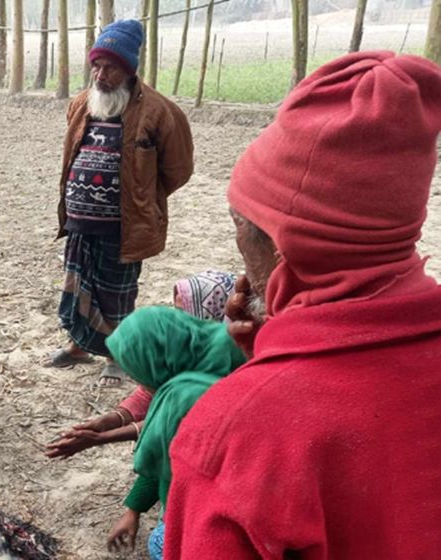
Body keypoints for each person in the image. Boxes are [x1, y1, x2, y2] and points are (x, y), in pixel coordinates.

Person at [165, 52, 441, 558]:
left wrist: (265, 389)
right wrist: (273, 356)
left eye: (239, 226)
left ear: (280, 247)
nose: (242, 265)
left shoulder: (238, 436)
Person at [48, 19, 194, 381]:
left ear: (129, 70)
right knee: (79, 285)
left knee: (117, 292)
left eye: (110, 67)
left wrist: (139, 197)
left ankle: (118, 356)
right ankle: (80, 346)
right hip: (80, 221)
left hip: (124, 225)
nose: (100, 74)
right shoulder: (82, 104)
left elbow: (178, 170)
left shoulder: (161, 112)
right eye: (96, 65)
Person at [99, 306, 246, 558]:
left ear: (156, 364)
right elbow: (169, 452)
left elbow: (171, 457)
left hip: (231, 519)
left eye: (138, 372)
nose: (140, 383)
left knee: (160, 543)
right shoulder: (224, 348)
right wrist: (133, 510)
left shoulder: (186, 397)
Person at [45, 270, 236, 459]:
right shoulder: (193, 343)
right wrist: (112, 419)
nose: (178, 319)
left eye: (185, 312)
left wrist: (101, 437)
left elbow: (175, 419)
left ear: (212, 310)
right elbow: (154, 392)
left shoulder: (229, 369)